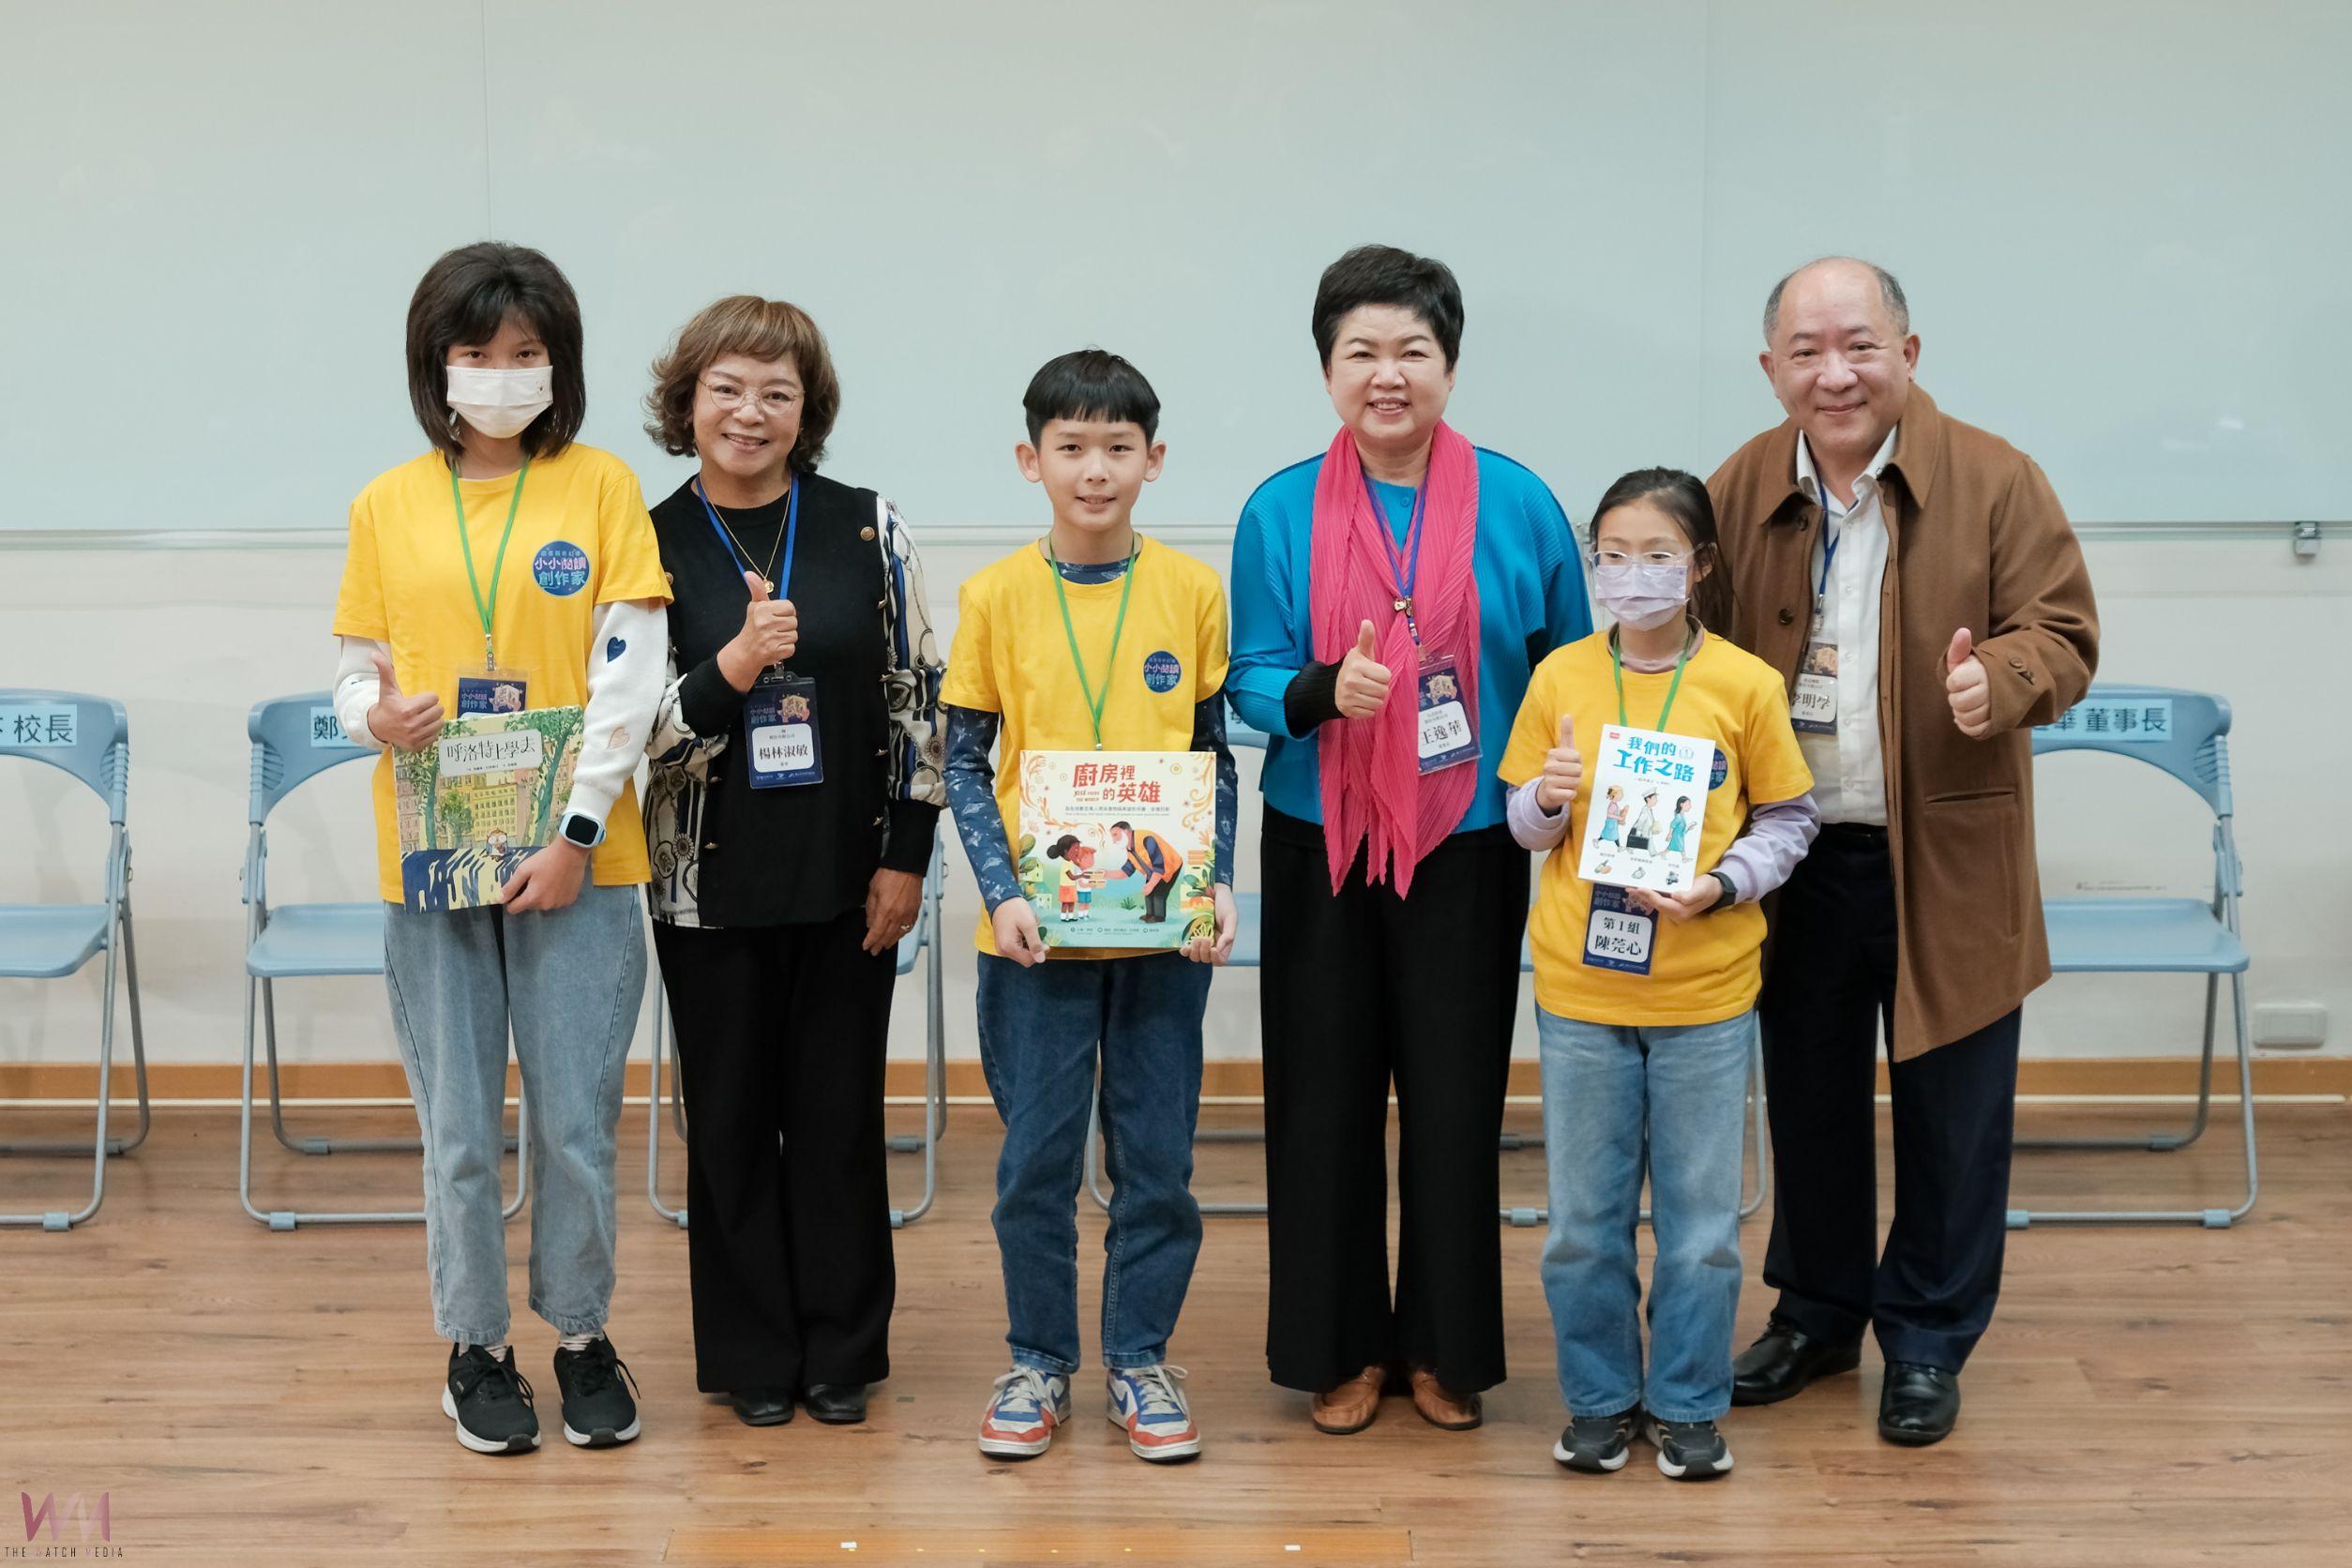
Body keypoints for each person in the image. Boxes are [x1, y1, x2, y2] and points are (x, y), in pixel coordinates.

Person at [1709, 257, 2098, 1445]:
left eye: (1860, 345)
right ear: (1770, 368)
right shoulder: (1735, 488)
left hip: (1950, 854)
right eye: (1807, 351)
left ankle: (1927, 1338)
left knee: (1954, 1114)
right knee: (1811, 1099)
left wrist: (2004, 679)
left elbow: (2065, 631)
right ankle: (1819, 1313)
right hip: (1795, 857)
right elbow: (1688, 644)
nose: (1836, 374)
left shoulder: (1995, 478)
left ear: (1909, 355)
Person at [1228, 244, 1591, 1434]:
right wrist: (1321, 691)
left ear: (1450, 365)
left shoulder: (1522, 503)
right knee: (1322, 1102)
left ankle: (1443, 1347)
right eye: (1361, 353)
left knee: (1454, 1101)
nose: (1388, 375)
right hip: (1320, 837)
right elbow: (1248, 677)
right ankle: (1338, 1349)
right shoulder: (1279, 508)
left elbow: (1569, 674)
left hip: (1470, 840)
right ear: (1327, 369)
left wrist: (1558, 782)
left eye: (1413, 352)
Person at [331, 241, 671, 1455]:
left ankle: (581, 1334)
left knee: (575, 1121)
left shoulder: (601, 486)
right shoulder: (387, 504)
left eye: (525, 353)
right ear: (437, 365)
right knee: (463, 1130)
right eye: (476, 353)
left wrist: (576, 834)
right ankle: (474, 1346)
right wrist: (370, 719)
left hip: (579, 859)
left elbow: (629, 680)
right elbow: (355, 673)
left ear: (557, 364)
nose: (500, 373)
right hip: (435, 859)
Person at [639, 294, 944, 1429]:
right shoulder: (647, 541)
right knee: (728, 1124)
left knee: (836, 1118)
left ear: (807, 410)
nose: (750, 412)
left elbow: (922, 699)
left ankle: (841, 1349)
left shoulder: (867, 527)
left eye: (778, 391)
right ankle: (754, 1353)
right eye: (726, 388)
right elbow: (633, 733)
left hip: (849, 876)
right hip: (704, 887)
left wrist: (906, 856)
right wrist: (730, 668)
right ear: (686, 401)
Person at [942, 350, 1240, 1464]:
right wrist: (1003, 892)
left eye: (1119, 447)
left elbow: (1212, 756)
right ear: (1032, 461)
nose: (1096, 468)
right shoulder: (994, 597)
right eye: (1071, 447)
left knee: (1157, 1158)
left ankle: (1140, 1358)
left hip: (1162, 932)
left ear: (1154, 460)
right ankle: (1037, 1359)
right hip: (1035, 939)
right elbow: (963, 763)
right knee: (1036, 1162)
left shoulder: (1192, 591)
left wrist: (1215, 882)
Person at [1500, 468, 1817, 1481]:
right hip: (1581, 992)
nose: (1632, 574)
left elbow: (1790, 819)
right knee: (1582, 1226)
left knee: (1702, 1230)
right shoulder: (1561, 677)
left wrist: (1722, 885)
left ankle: (1686, 1402)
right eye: (1613, 555)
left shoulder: (1745, 684)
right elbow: (1522, 827)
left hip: (1705, 996)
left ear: (1701, 565)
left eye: (1657, 555)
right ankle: (1599, 1399)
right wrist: (1548, 799)